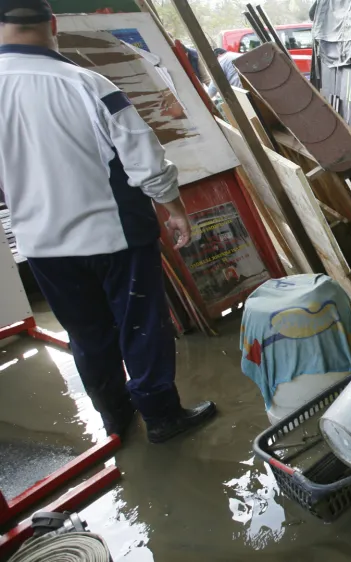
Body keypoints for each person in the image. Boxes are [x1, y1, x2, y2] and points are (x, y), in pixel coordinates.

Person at [0, 0, 217, 444]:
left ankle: (116, 419)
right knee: (141, 325)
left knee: (86, 334)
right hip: (115, 236)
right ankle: (161, 416)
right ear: (53, 25)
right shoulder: (86, 83)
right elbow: (144, 157)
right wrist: (173, 207)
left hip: (42, 245)